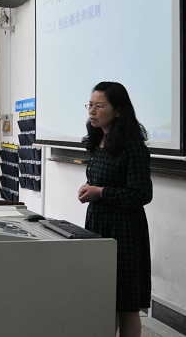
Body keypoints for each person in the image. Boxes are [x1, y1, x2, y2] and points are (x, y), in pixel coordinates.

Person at [77, 81, 152, 337]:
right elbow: (103, 181)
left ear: (118, 111)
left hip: (125, 232)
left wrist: (101, 192)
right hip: (99, 227)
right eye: (90, 105)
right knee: (105, 299)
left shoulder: (132, 146)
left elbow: (142, 193)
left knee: (126, 304)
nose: (92, 111)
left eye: (99, 106)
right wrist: (90, 188)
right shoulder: (98, 141)